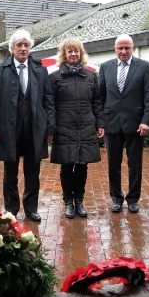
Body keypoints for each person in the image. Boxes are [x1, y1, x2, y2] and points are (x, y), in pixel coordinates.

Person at [0, 30, 55, 223]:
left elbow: (48, 100)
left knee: (33, 172)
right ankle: (11, 209)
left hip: (35, 129)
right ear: (11, 48)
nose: (23, 48)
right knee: (10, 173)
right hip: (8, 130)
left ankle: (31, 209)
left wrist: (50, 126)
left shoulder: (40, 70)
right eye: (19, 45)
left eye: (26, 44)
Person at [98, 34, 149, 213]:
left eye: (127, 48)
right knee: (113, 164)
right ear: (115, 49)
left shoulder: (144, 67)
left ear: (133, 47)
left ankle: (132, 200)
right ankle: (116, 198)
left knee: (135, 164)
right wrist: (100, 122)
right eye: (120, 48)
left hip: (136, 124)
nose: (123, 51)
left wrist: (146, 121)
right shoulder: (105, 67)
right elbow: (100, 97)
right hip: (111, 123)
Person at [50, 38, 104, 218]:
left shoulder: (90, 76)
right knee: (67, 166)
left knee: (82, 166)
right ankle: (68, 201)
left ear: (81, 54)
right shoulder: (56, 77)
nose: (73, 54)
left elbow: (97, 102)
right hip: (64, 127)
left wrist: (100, 123)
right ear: (64, 54)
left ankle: (79, 200)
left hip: (86, 126)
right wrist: (51, 128)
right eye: (70, 51)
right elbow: (50, 105)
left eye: (76, 51)